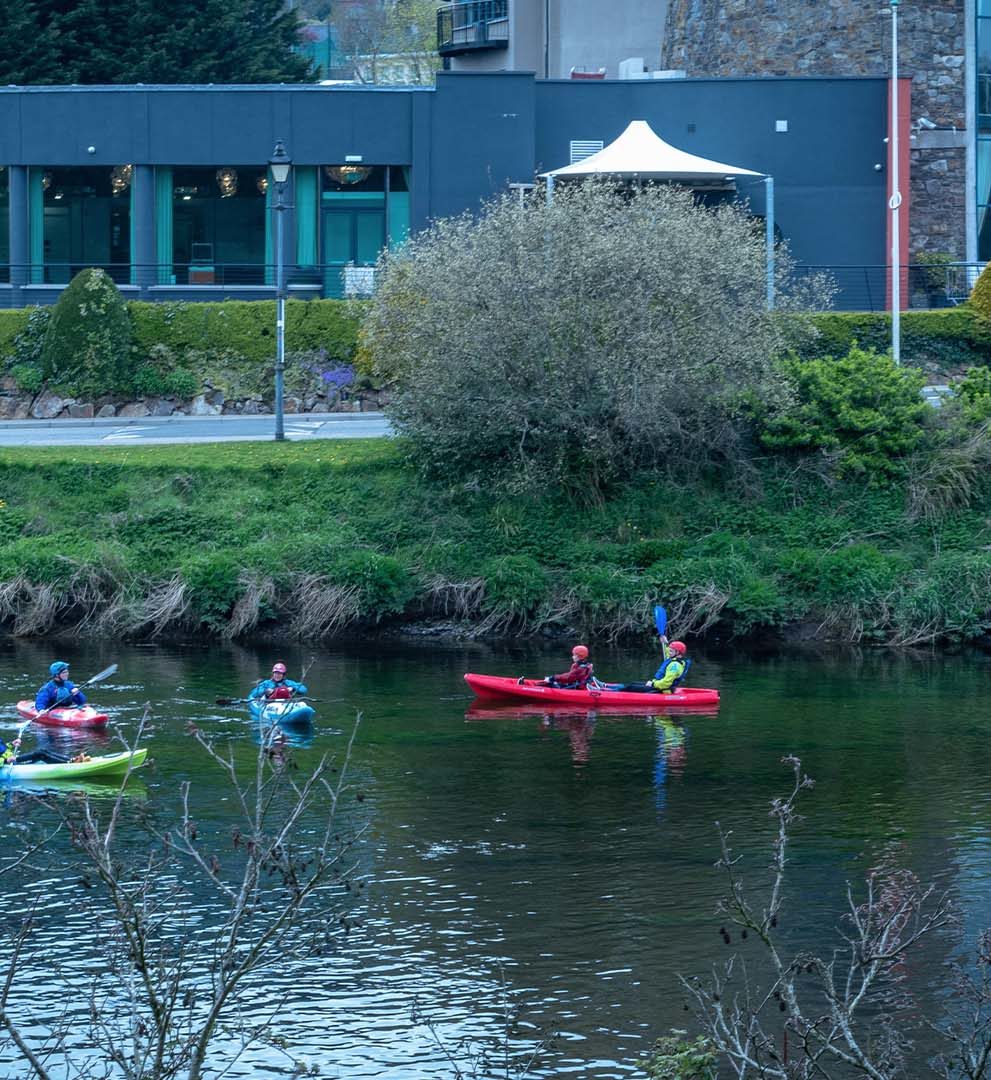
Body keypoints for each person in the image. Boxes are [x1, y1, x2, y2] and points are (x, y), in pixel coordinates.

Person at [616, 640, 691, 694]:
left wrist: (652, 684)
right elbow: (667, 651)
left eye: (671, 651)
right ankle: (613, 689)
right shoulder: (673, 658)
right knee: (633, 683)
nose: (668, 652)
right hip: (658, 686)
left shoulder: (675, 666)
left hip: (663, 690)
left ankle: (614, 693)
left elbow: (666, 683)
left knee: (631, 687)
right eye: (669, 650)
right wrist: (664, 642)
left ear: (677, 653)